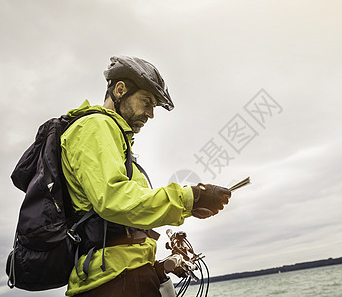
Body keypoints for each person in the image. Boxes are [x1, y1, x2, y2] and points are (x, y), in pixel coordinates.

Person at [60, 55, 231, 296]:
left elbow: (127, 218)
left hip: (125, 276)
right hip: (112, 282)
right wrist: (191, 198)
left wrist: (156, 266)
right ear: (120, 90)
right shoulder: (95, 127)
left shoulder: (115, 138)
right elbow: (113, 199)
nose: (151, 113)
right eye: (146, 102)